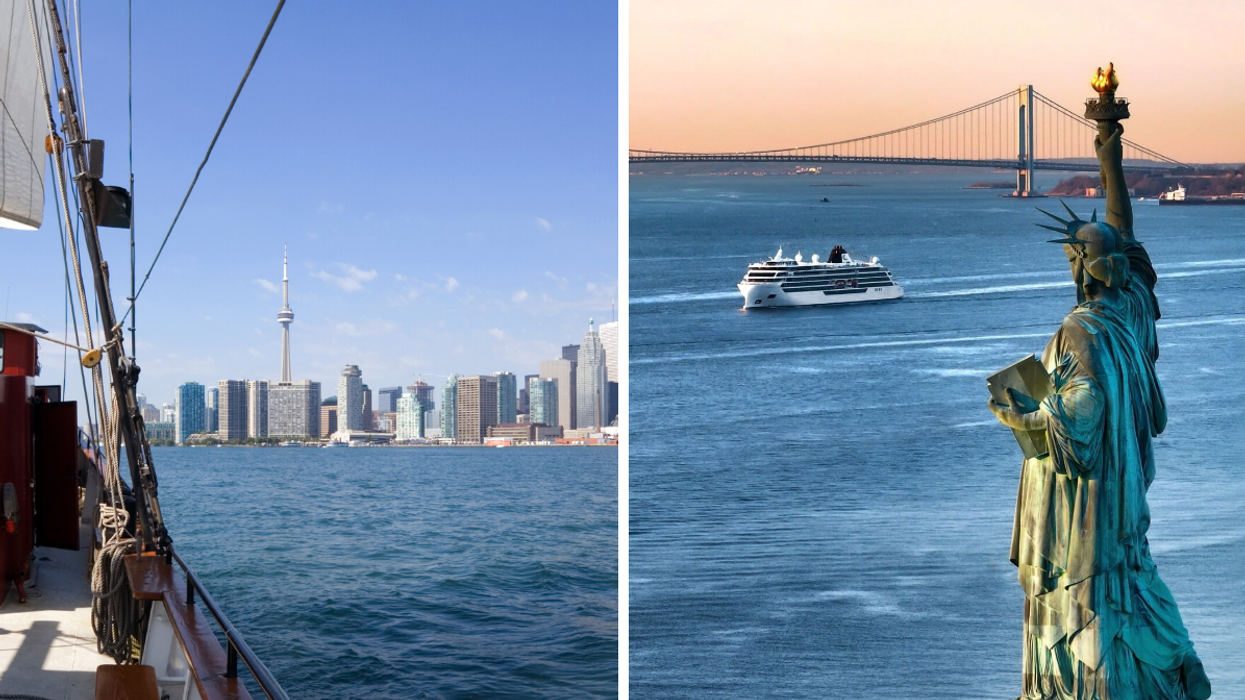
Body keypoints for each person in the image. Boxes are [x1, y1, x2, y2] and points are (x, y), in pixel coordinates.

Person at [988, 122, 1210, 700]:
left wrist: (1020, 415)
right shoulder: (1132, 315)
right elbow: (1124, 233)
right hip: (1124, 494)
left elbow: (1080, 418)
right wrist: (1110, 154)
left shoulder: (1079, 331)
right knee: (1133, 581)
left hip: (1086, 508)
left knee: (1087, 599)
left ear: (1080, 269)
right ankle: (1173, 660)